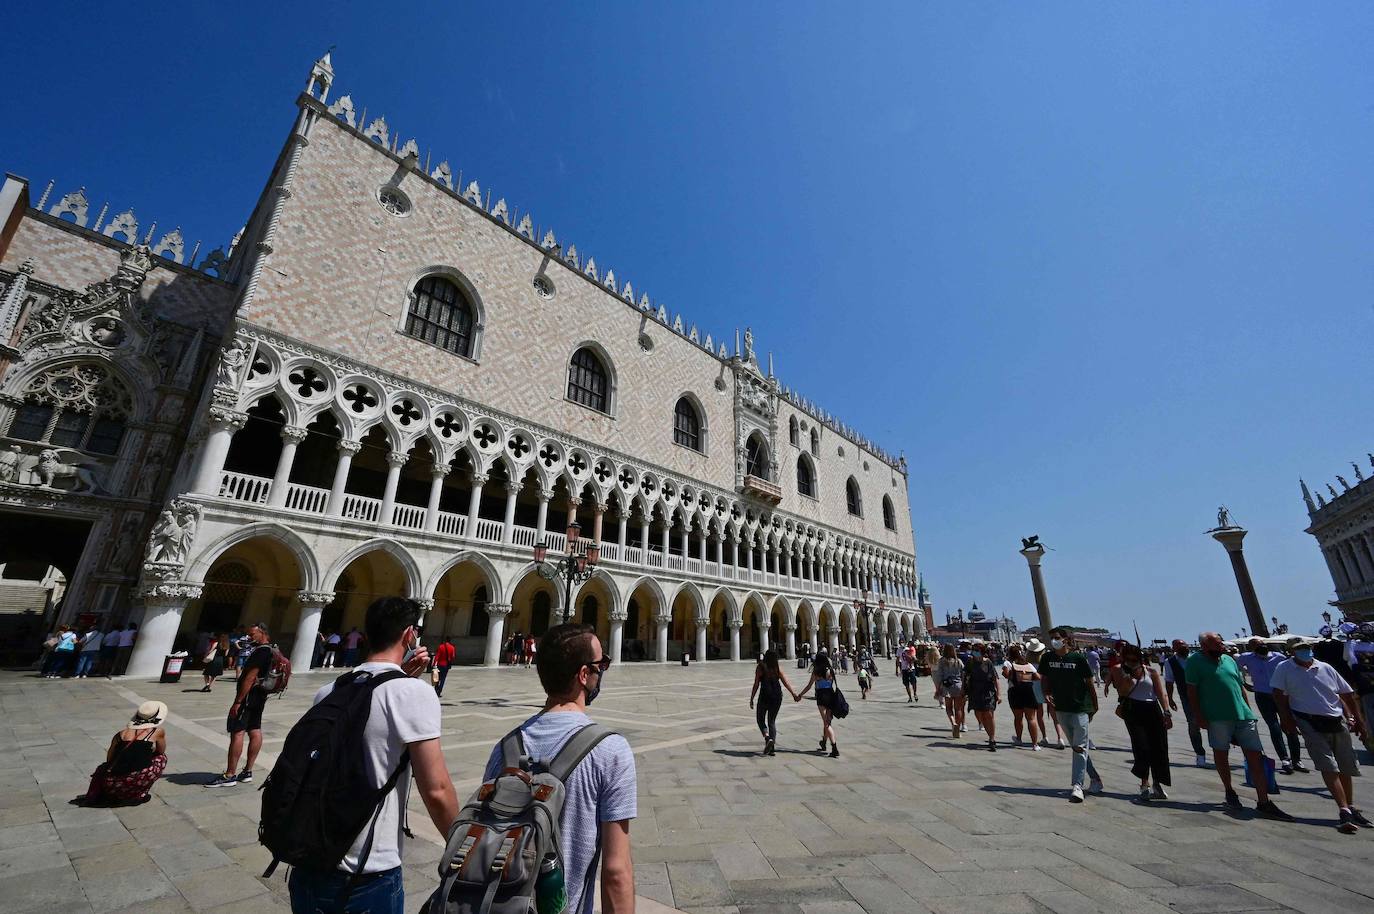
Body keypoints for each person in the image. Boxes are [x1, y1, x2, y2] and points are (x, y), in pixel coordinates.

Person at [289, 597, 459, 914]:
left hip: (307, 865)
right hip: (365, 877)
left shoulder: (329, 690)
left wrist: (402, 677)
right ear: (410, 635)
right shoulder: (414, 693)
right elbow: (436, 790)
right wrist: (467, 849)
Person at [481, 623, 636, 914]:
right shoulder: (610, 750)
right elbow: (616, 872)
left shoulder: (503, 750)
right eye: (601, 664)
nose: (602, 672)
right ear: (583, 675)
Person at [1185, 631, 1291, 819]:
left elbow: (1239, 685)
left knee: (1255, 756)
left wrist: (1249, 710)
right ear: (1204, 646)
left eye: (1220, 643)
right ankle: (1229, 790)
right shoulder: (1194, 662)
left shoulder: (1229, 660)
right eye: (1216, 644)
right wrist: (1199, 716)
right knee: (1221, 754)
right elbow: (1191, 691)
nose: (1221, 646)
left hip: (1243, 716)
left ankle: (1263, 800)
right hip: (1217, 717)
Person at [1270, 639, 1369, 834]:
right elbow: (1278, 693)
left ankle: (1350, 806)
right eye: (1299, 649)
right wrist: (1285, 717)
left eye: (1306, 648)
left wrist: (1357, 719)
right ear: (1291, 652)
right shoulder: (1284, 668)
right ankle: (1343, 809)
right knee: (1328, 766)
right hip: (1308, 721)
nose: (1304, 652)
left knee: (1346, 765)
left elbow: (1346, 693)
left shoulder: (1325, 667)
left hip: (1335, 719)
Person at [205, 623, 274, 788]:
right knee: (255, 730)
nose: (249, 637)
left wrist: (238, 701)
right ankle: (247, 771)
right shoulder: (271, 650)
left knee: (237, 732)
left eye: (252, 634)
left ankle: (230, 774)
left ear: (262, 632)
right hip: (260, 697)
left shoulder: (261, 651)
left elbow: (250, 677)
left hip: (248, 698)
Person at [1038, 628, 1103, 802]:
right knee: (1077, 746)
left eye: (1057, 638)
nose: (1054, 641)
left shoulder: (1078, 659)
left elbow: (1089, 683)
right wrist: (1046, 693)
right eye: (1051, 638)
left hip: (1080, 707)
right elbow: (1044, 678)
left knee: (1079, 746)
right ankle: (1095, 779)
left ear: (1066, 640)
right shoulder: (1047, 658)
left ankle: (1077, 786)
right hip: (1061, 707)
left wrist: (1094, 706)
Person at [1110, 642, 1172, 802]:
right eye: (1128, 659)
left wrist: (1166, 711)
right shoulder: (1118, 670)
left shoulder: (1151, 671)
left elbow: (1160, 693)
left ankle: (1158, 783)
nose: (1132, 662)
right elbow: (1121, 690)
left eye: (1134, 659)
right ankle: (1144, 783)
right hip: (1133, 709)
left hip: (1152, 709)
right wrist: (1128, 676)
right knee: (1141, 746)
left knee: (1159, 747)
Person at [1238, 638, 1305, 774]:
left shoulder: (1278, 657)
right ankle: (1285, 759)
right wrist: (1243, 682)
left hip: (1281, 694)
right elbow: (1235, 668)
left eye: (1262, 644)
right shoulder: (1247, 658)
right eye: (1255, 646)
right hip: (1262, 695)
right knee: (1274, 727)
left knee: (1289, 725)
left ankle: (1297, 759)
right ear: (1251, 648)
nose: (1260, 646)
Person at [82, 700, 168, 806]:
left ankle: (126, 791)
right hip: (136, 779)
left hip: (112, 784)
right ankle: (139, 792)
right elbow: (161, 750)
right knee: (161, 758)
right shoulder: (157, 732)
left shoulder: (120, 734)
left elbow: (109, 759)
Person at [1162, 639, 1207, 767]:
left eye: (1184, 645)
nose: (1183, 647)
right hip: (1187, 697)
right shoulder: (1170, 662)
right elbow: (1169, 681)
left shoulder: (1197, 657)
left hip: (1206, 694)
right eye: (1180, 646)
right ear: (1174, 648)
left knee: (1215, 723)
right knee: (1193, 724)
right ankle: (1200, 753)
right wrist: (1170, 698)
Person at [795, 646, 841, 757]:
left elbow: (809, 686)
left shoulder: (816, 672)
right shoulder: (830, 670)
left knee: (826, 723)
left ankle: (834, 747)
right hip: (830, 695)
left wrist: (800, 695)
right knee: (827, 721)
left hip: (821, 696)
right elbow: (833, 683)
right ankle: (824, 742)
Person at [750, 649, 798, 754]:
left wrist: (752, 698)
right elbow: (785, 682)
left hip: (764, 696)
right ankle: (772, 748)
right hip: (777, 696)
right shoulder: (777, 667)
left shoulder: (761, 667)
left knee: (760, 719)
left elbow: (756, 684)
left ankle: (767, 738)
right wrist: (793, 694)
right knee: (772, 721)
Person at [1025, 640, 1063, 748]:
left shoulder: (1028, 664)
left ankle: (1044, 736)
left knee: (1039, 715)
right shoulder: (1046, 661)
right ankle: (1060, 738)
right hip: (1048, 688)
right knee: (1055, 716)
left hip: (1034, 688)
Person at [1004, 644, 1042, 750]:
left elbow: (1007, 675)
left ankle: (1019, 739)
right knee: (1031, 718)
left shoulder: (1008, 663)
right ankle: (1035, 744)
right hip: (1028, 690)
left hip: (1014, 691)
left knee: (1018, 717)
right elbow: (1038, 677)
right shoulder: (1028, 664)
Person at [965, 644, 1001, 751]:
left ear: (982, 651)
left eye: (977, 650)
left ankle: (992, 739)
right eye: (974, 650)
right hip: (975, 691)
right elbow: (965, 676)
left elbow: (995, 679)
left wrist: (998, 694)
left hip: (988, 691)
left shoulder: (988, 662)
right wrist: (963, 690)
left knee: (989, 714)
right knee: (979, 714)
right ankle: (988, 732)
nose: (975, 652)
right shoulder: (970, 662)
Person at [934, 644, 967, 739]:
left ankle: (953, 723)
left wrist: (938, 689)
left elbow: (939, 676)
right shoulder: (958, 661)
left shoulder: (942, 661)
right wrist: (963, 687)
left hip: (947, 686)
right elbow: (963, 674)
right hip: (958, 686)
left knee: (948, 708)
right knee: (959, 709)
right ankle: (958, 726)